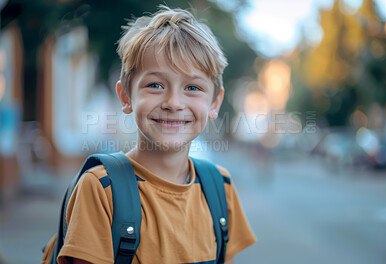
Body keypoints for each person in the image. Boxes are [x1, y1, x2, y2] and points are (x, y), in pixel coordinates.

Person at [52, 5, 256, 264]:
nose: (173, 102)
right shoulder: (102, 189)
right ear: (126, 97)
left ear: (214, 103)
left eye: (192, 87)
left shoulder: (220, 187)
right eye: (155, 85)